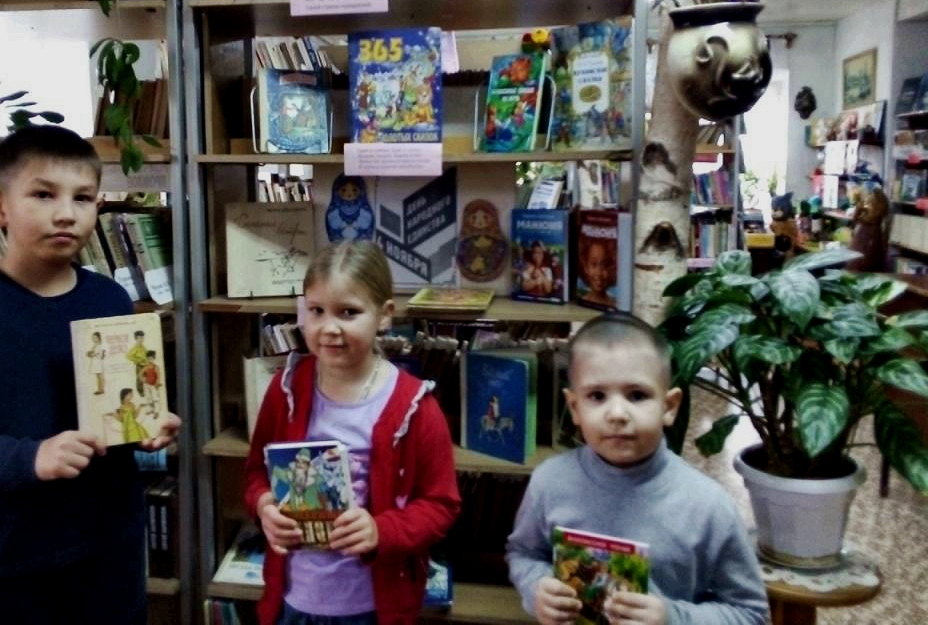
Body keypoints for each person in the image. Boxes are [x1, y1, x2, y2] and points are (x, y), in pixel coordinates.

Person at [0, 125, 181, 625]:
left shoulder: (110, 299)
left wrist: (147, 427)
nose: (66, 213)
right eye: (43, 194)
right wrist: (28, 458)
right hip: (7, 564)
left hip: (108, 554)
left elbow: (119, 409)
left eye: (83, 198)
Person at [243, 240, 461, 625]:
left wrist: (381, 530)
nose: (329, 328)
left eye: (348, 312)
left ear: (384, 315)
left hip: (371, 607)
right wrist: (263, 507)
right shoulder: (285, 389)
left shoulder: (415, 407)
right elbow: (256, 473)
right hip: (293, 600)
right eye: (316, 311)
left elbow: (441, 505)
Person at [506, 312, 768, 625]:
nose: (617, 413)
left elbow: (751, 614)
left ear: (669, 407)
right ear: (574, 407)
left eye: (637, 395)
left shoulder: (709, 507)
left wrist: (672, 618)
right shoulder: (549, 482)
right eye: (597, 396)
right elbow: (523, 553)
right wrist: (536, 588)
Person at [578, 238, 616, 308]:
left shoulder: (615, 304)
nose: (599, 273)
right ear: (586, 267)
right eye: (594, 264)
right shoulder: (580, 300)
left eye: (605, 265)